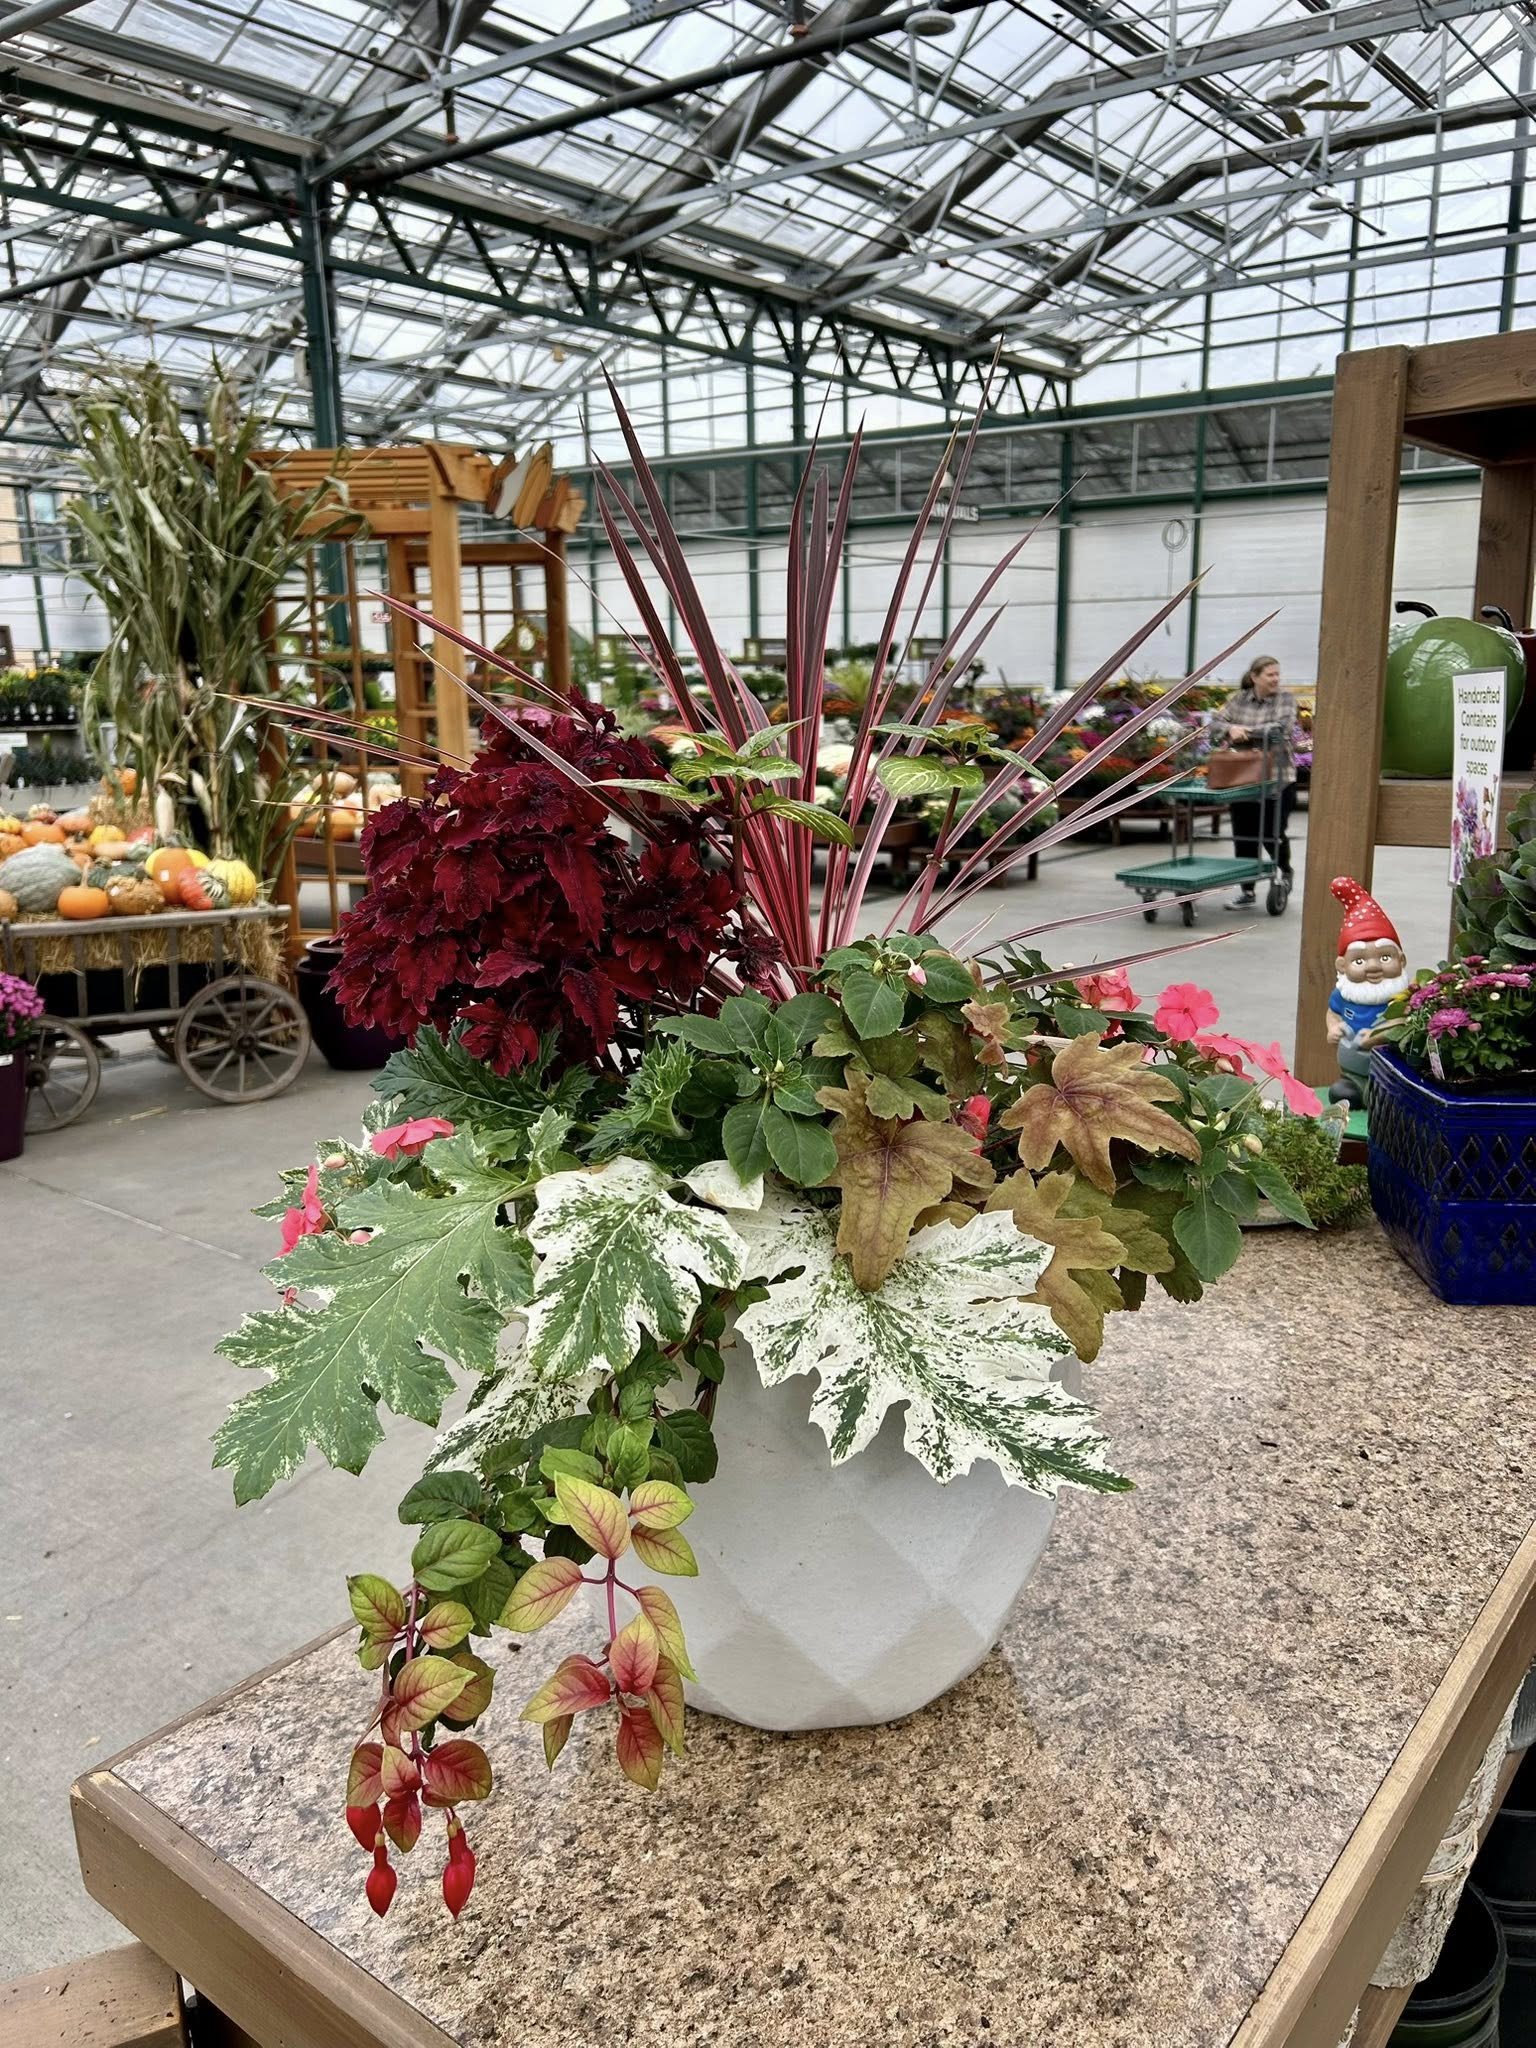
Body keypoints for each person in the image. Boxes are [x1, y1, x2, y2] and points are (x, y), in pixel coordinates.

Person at [1209, 654, 1299, 908]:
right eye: (1270, 675)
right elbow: (1214, 723)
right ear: (1254, 677)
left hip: (1278, 779)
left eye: (1277, 674)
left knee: (1272, 832)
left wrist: (1243, 731)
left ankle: (1284, 872)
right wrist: (1229, 729)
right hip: (1244, 779)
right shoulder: (1239, 699)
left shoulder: (1285, 699)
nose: (1276, 679)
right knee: (1244, 834)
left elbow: (1281, 729)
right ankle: (1247, 891)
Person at [1325, 876, 1411, 1107]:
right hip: (1352, 1071)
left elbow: (1401, 1022)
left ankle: (1380, 1095)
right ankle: (1359, 1091)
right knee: (1341, 1093)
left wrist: (1377, 1036)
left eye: (1385, 957)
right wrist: (1333, 1028)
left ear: (1401, 960)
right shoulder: (1344, 995)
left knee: (1389, 1097)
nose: (1373, 967)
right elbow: (1333, 1013)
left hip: (1388, 1070)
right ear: (1342, 966)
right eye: (1359, 961)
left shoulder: (1401, 997)